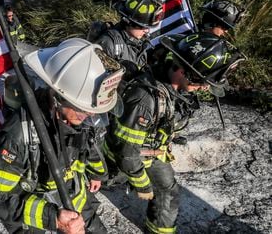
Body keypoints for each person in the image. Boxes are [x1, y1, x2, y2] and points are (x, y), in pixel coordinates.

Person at [103, 32, 245, 234]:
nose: (204, 88)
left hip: (152, 152)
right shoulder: (145, 99)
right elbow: (126, 152)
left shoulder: (175, 91)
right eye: (203, 82)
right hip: (121, 160)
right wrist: (142, 184)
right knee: (96, 185)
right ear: (184, 72)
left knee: (169, 191)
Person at [0, 38, 126, 233]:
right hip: (40, 218)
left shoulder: (80, 117)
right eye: (83, 109)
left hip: (76, 201)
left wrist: (97, 173)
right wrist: (53, 219)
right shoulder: (19, 133)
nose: (91, 115)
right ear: (59, 98)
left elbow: (88, 146)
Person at [90, 0, 163, 80]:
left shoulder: (141, 43)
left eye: (148, 27)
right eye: (143, 27)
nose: (147, 31)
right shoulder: (109, 43)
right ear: (128, 22)